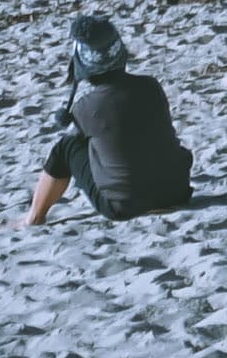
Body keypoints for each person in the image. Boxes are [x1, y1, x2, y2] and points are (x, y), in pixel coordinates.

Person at [24, 12, 194, 223]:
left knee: (65, 149)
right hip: (177, 192)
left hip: (124, 206)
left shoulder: (86, 107)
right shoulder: (150, 85)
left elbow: (75, 141)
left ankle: (34, 216)